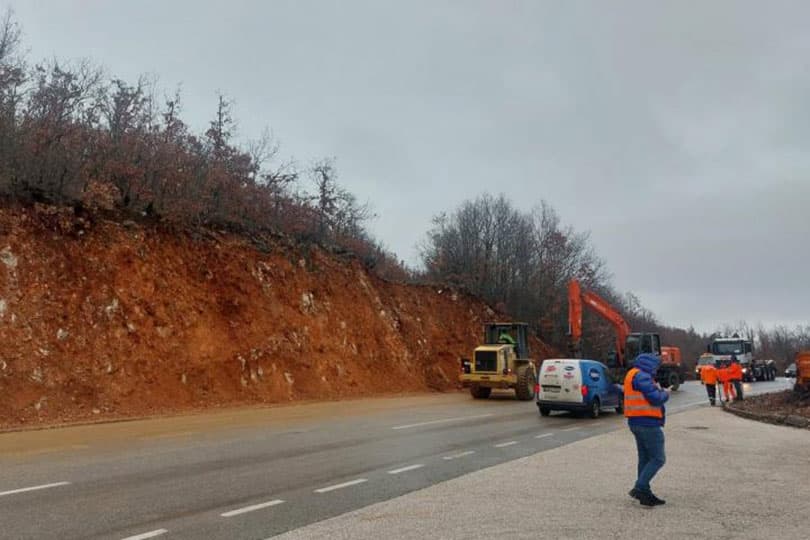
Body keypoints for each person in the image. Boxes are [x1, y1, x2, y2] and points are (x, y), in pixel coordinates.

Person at [624, 353, 670, 507]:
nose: (656, 370)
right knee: (658, 458)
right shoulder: (642, 376)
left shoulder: (632, 374)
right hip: (647, 423)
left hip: (636, 422)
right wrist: (665, 393)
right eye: (655, 366)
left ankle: (645, 493)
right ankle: (640, 488)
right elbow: (655, 398)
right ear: (649, 365)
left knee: (644, 458)